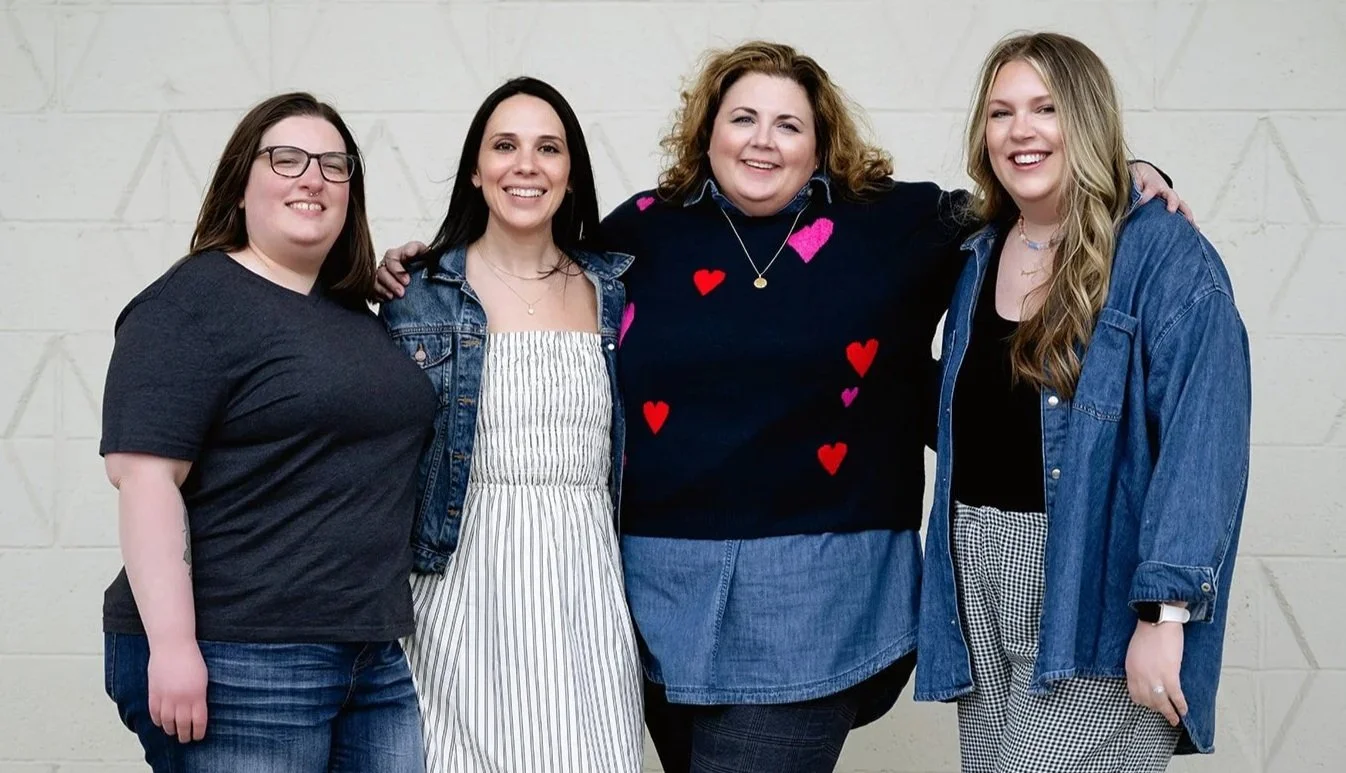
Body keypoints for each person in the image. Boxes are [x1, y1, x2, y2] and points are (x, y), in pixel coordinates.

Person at [376, 40, 1185, 773]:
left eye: (788, 125)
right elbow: (530, 270)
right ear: (708, 134)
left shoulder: (892, 224)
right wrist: (422, 266)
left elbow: (1025, 197)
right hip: (653, 603)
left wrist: (1127, 175)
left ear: (821, 144)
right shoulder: (643, 234)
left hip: (816, 599)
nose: (762, 141)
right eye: (743, 119)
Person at [913, 32, 1250, 772]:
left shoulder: (1162, 254)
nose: (1021, 130)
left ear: (1088, 119)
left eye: (1047, 108)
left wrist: (1164, 613)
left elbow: (1204, 445)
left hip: (1091, 582)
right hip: (976, 574)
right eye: (1001, 112)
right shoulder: (977, 248)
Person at [100, 92, 435, 772]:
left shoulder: (352, 314)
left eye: (334, 165)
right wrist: (173, 646)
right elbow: (144, 478)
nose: (313, 178)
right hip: (239, 652)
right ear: (239, 184)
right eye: (286, 159)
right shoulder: (191, 302)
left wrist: (423, 279)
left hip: (369, 652)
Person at [381, 77, 644, 773]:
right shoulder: (416, 293)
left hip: (586, 583)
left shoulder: (616, 291)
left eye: (548, 148)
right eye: (505, 146)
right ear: (476, 169)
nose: (526, 165)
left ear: (570, 174)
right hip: (457, 580)